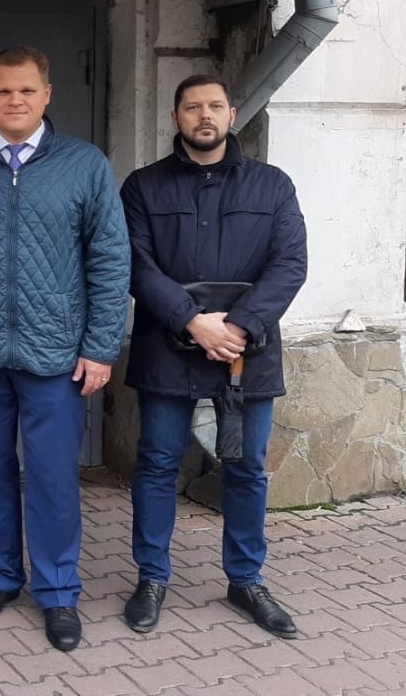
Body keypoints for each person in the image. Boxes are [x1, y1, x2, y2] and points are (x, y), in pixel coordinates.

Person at [0, 45, 130, 652]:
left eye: (27, 90)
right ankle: (1, 576)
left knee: (53, 478)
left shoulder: (85, 166)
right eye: (4, 90)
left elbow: (111, 261)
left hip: (56, 355)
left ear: (47, 95)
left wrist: (100, 347)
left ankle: (58, 592)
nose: (15, 100)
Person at [120, 74, 307, 639]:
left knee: (246, 467)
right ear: (175, 117)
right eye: (192, 107)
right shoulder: (143, 187)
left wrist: (239, 326)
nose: (205, 115)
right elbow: (135, 264)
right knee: (157, 465)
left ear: (231, 115)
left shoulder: (273, 186)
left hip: (246, 354)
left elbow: (290, 265)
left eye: (215, 106)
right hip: (168, 346)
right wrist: (191, 320)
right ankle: (151, 578)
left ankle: (245, 580)